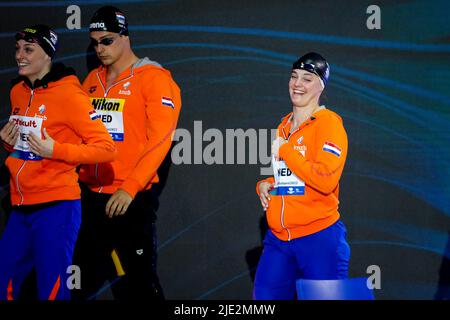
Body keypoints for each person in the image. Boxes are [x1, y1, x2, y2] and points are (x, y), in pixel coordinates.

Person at [72, 6, 181, 300]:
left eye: (106, 40)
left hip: (130, 199)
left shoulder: (154, 78)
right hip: (90, 196)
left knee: (140, 284)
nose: (99, 48)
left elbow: (160, 141)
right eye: (94, 42)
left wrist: (129, 189)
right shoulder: (92, 80)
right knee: (74, 280)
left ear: (125, 36)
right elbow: (75, 133)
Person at [0, 24, 116, 300]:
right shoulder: (17, 91)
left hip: (57, 208)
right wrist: (8, 143)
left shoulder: (69, 95)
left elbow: (107, 149)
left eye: (29, 49)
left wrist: (57, 149)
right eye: (18, 49)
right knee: (4, 282)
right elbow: (26, 149)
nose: (19, 55)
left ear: (47, 55)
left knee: (52, 291)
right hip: (20, 206)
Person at [254, 52, 350, 300]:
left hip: (318, 238)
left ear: (321, 86)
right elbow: (294, 180)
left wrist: (285, 149)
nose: (297, 84)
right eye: (294, 76)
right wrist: (268, 184)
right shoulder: (284, 125)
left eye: (307, 79)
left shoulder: (329, 123)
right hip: (279, 240)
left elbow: (325, 178)